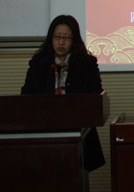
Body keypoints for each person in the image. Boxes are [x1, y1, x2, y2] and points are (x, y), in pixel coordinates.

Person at [21, 14, 105, 172]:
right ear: (50, 38)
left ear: (74, 40)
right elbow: (26, 97)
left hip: (78, 132)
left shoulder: (87, 64)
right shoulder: (39, 63)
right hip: (44, 133)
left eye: (66, 38)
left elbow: (95, 96)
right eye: (57, 37)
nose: (61, 42)